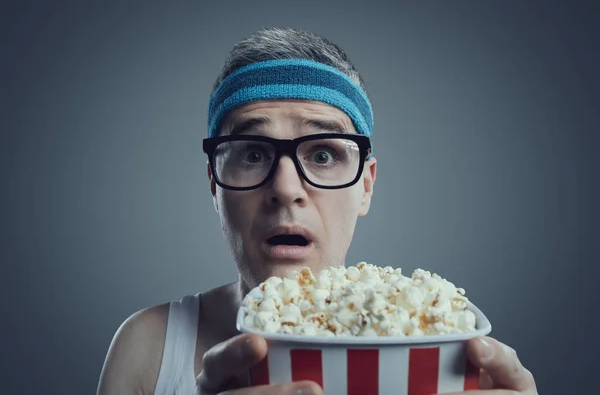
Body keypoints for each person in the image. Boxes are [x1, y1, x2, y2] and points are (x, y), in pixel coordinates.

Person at [97, 27, 538, 395]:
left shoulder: (450, 358)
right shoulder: (150, 349)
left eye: (323, 155)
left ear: (365, 187)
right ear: (214, 184)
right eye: (252, 154)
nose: (286, 189)